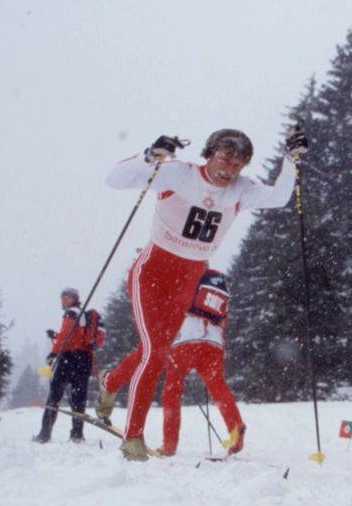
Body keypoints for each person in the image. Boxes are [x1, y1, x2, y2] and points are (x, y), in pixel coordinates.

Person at [95, 127, 307, 461]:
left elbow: (279, 197)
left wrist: (290, 160)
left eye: (238, 164)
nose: (229, 169)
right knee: (154, 353)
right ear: (209, 154)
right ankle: (133, 437)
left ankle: (109, 384)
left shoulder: (241, 190)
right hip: (151, 274)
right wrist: (148, 156)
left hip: (187, 281)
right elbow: (114, 179)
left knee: (154, 351)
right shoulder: (179, 174)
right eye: (224, 159)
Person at [158, 268, 245, 457]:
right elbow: (224, 317)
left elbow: (172, 308)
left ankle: (169, 445)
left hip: (186, 339)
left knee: (172, 391)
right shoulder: (219, 282)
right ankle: (235, 426)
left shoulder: (185, 277)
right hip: (214, 341)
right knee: (218, 387)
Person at [33, 288, 106, 443]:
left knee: (54, 396)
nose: (64, 300)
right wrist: (56, 335)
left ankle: (44, 434)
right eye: (63, 297)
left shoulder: (71, 313)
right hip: (84, 360)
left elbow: (66, 336)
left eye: (68, 297)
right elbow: (74, 336)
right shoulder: (83, 315)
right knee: (79, 398)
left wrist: (53, 353)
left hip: (69, 359)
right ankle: (77, 435)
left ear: (75, 299)